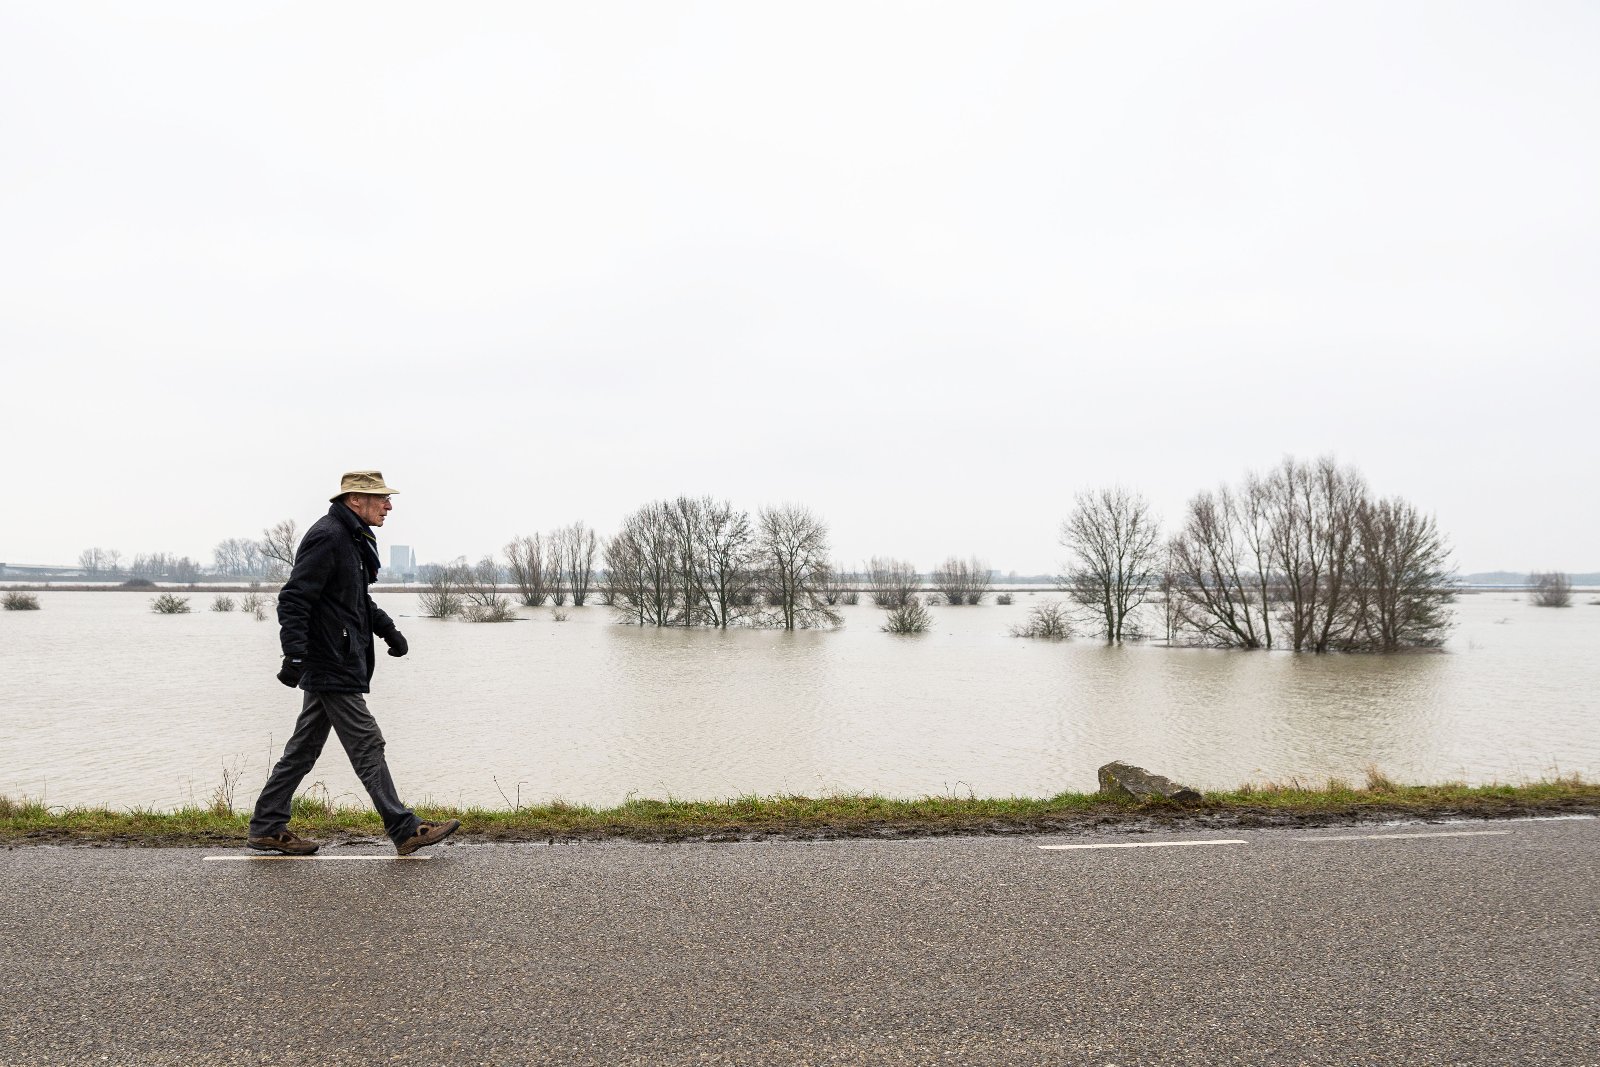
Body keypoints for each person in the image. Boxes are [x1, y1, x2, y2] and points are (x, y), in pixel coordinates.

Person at [246, 470, 459, 857]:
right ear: (355, 500)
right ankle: (405, 828)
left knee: (303, 749)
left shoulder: (351, 539)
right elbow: (293, 598)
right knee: (367, 743)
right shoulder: (329, 536)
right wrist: (293, 653)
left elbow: (354, 602)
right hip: (330, 662)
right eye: (382, 499)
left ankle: (266, 825)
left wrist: (389, 631)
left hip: (338, 657)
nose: (389, 506)